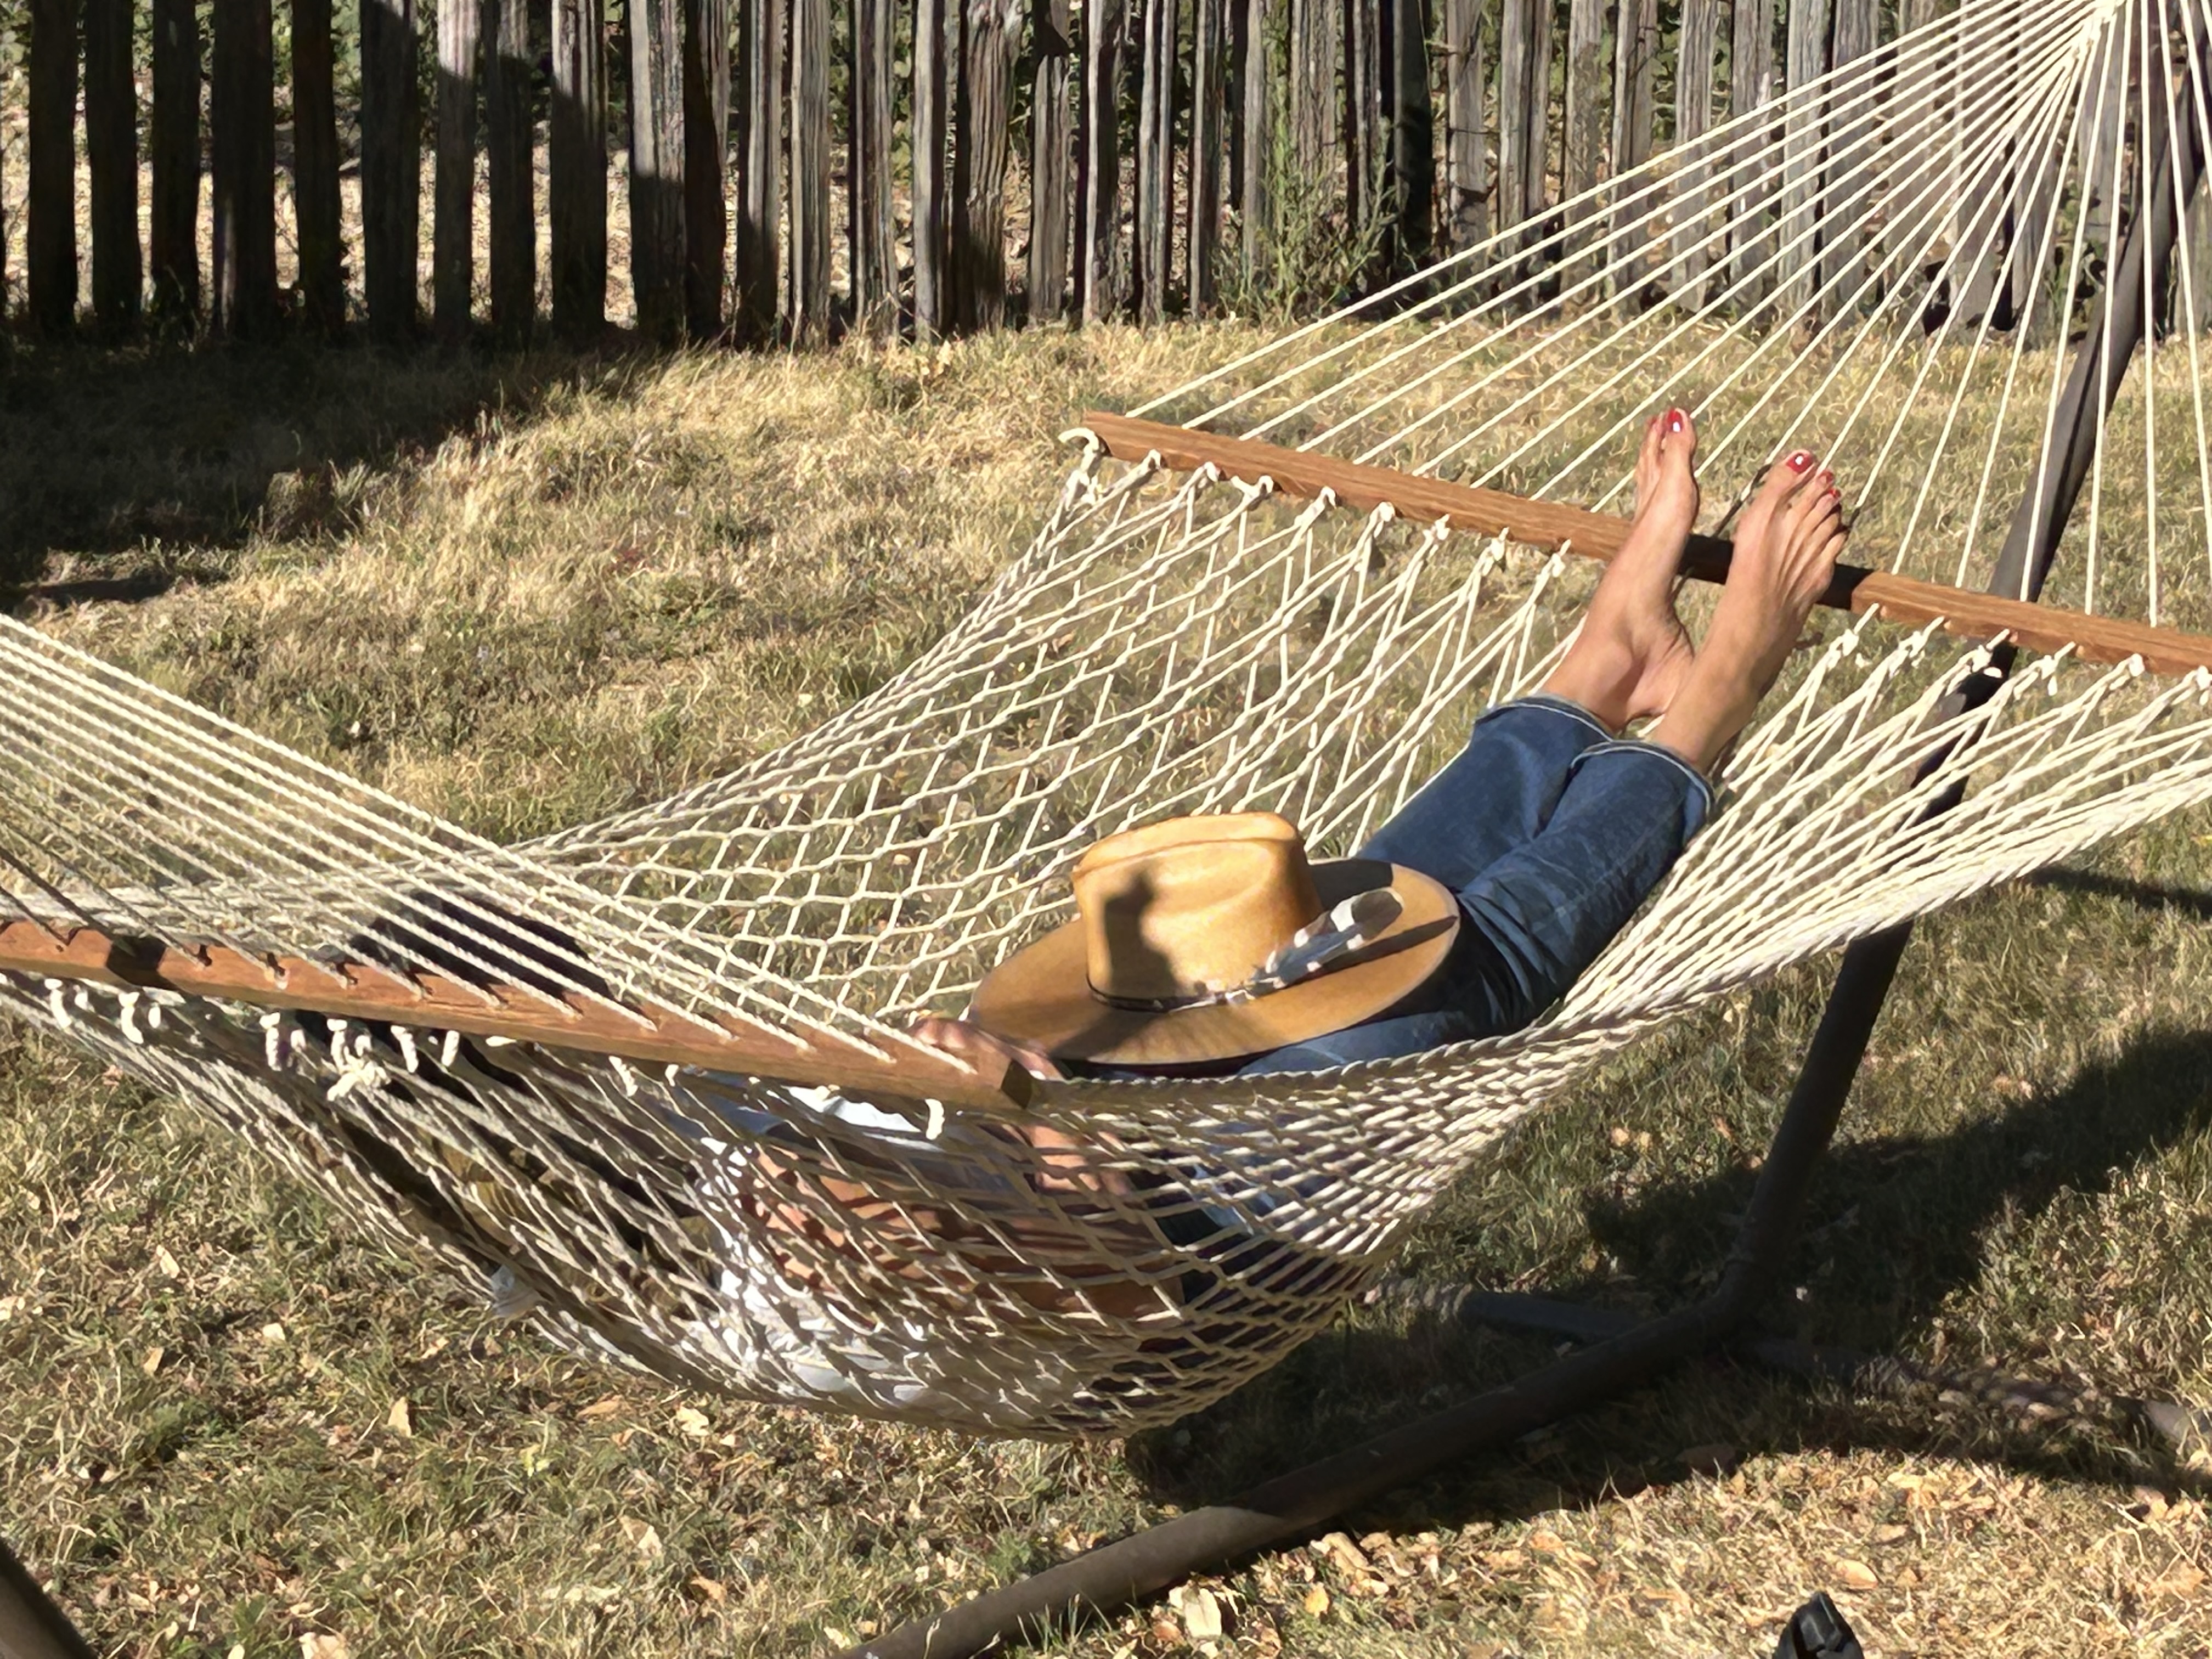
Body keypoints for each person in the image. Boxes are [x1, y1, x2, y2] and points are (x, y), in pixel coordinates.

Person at [917, 408, 1848, 1090]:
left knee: (1359, 927)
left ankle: (1605, 668)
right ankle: (1713, 698)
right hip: (1151, 1222)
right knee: (1427, 983)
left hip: (1075, 1115)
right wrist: (1042, 1137)